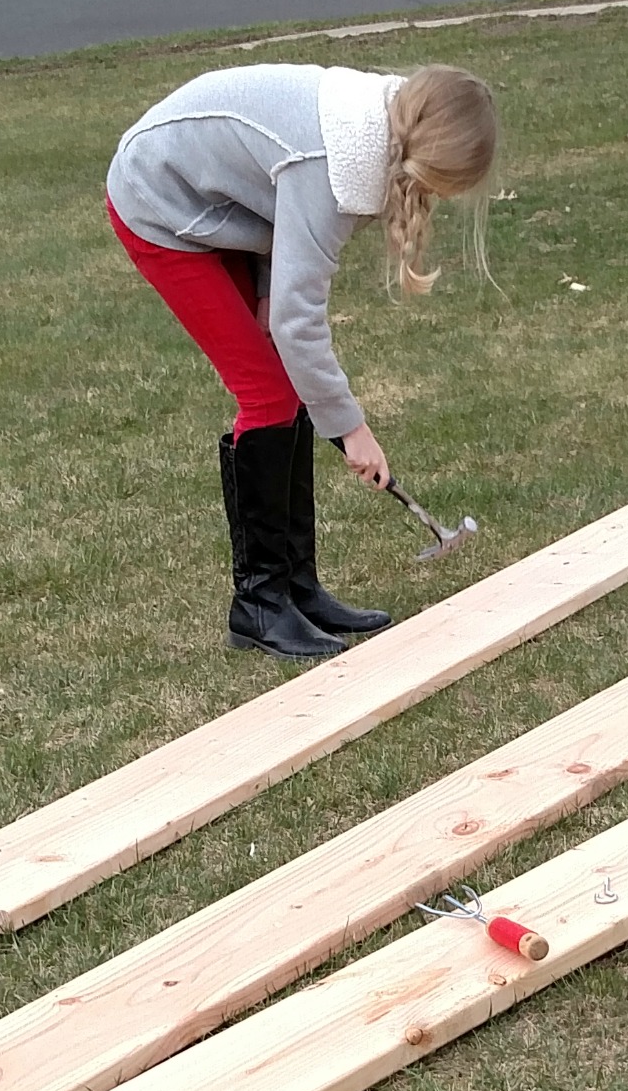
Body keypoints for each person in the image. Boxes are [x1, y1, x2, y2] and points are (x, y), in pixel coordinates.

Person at [106, 63, 498, 659]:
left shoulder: (384, 130)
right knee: (266, 393)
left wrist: (267, 285)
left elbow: (268, 195)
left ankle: (296, 588)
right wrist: (352, 429)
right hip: (160, 199)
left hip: (223, 201)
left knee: (284, 383)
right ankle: (259, 606)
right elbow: (298, 321)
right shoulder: (337, 162)